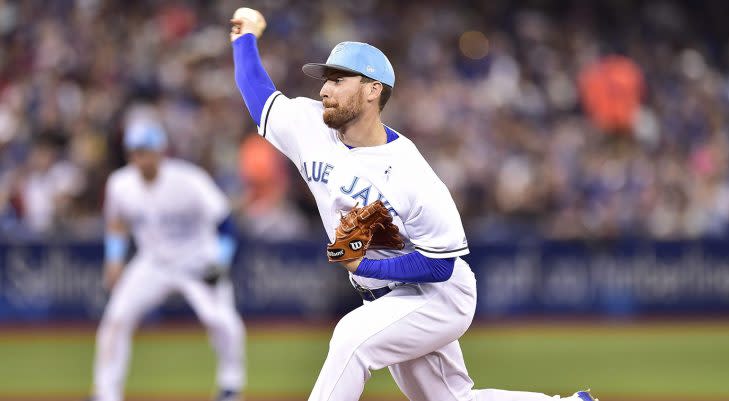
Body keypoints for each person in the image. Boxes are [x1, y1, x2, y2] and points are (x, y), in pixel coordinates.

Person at [230, 8, 597, 401]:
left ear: (373, 90)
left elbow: (439, 265)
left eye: (338, 80)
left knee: (351, 340)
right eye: (325, 81)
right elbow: (258, 95)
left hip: (437, 296)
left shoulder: (410, 172)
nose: (324, 90)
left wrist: (366, 264)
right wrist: (244, 36)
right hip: (386, 298)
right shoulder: (310, 127)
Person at [89, 117, 245, 401]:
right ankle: (105, 393)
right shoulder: (120, 184)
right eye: (134, 152)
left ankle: (230, 386)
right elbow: (116, 222)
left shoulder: (189, 180)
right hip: (154, 263)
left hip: (198, 261)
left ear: (160, 151)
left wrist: (221, 261)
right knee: (116, 318)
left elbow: (225, 222)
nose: (140, 158)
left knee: (220, 320)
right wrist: (114, 260)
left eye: (145, 151)